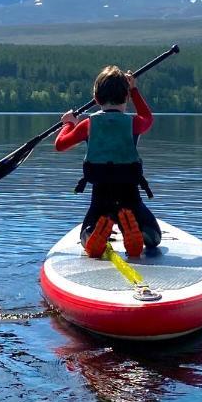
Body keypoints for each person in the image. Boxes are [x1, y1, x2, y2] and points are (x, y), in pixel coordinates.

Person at [54, 65, 162, 259]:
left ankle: (91, 234)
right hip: (130, 194)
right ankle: (141, 230)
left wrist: (69, 123)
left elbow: (60, 145)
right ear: (127, 98)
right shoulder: (133, 123)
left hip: (101, 194)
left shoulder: (88, 124)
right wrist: (135, 89)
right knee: (154, 235)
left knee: (89, 226)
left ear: (96, 99)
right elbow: (148, 118)